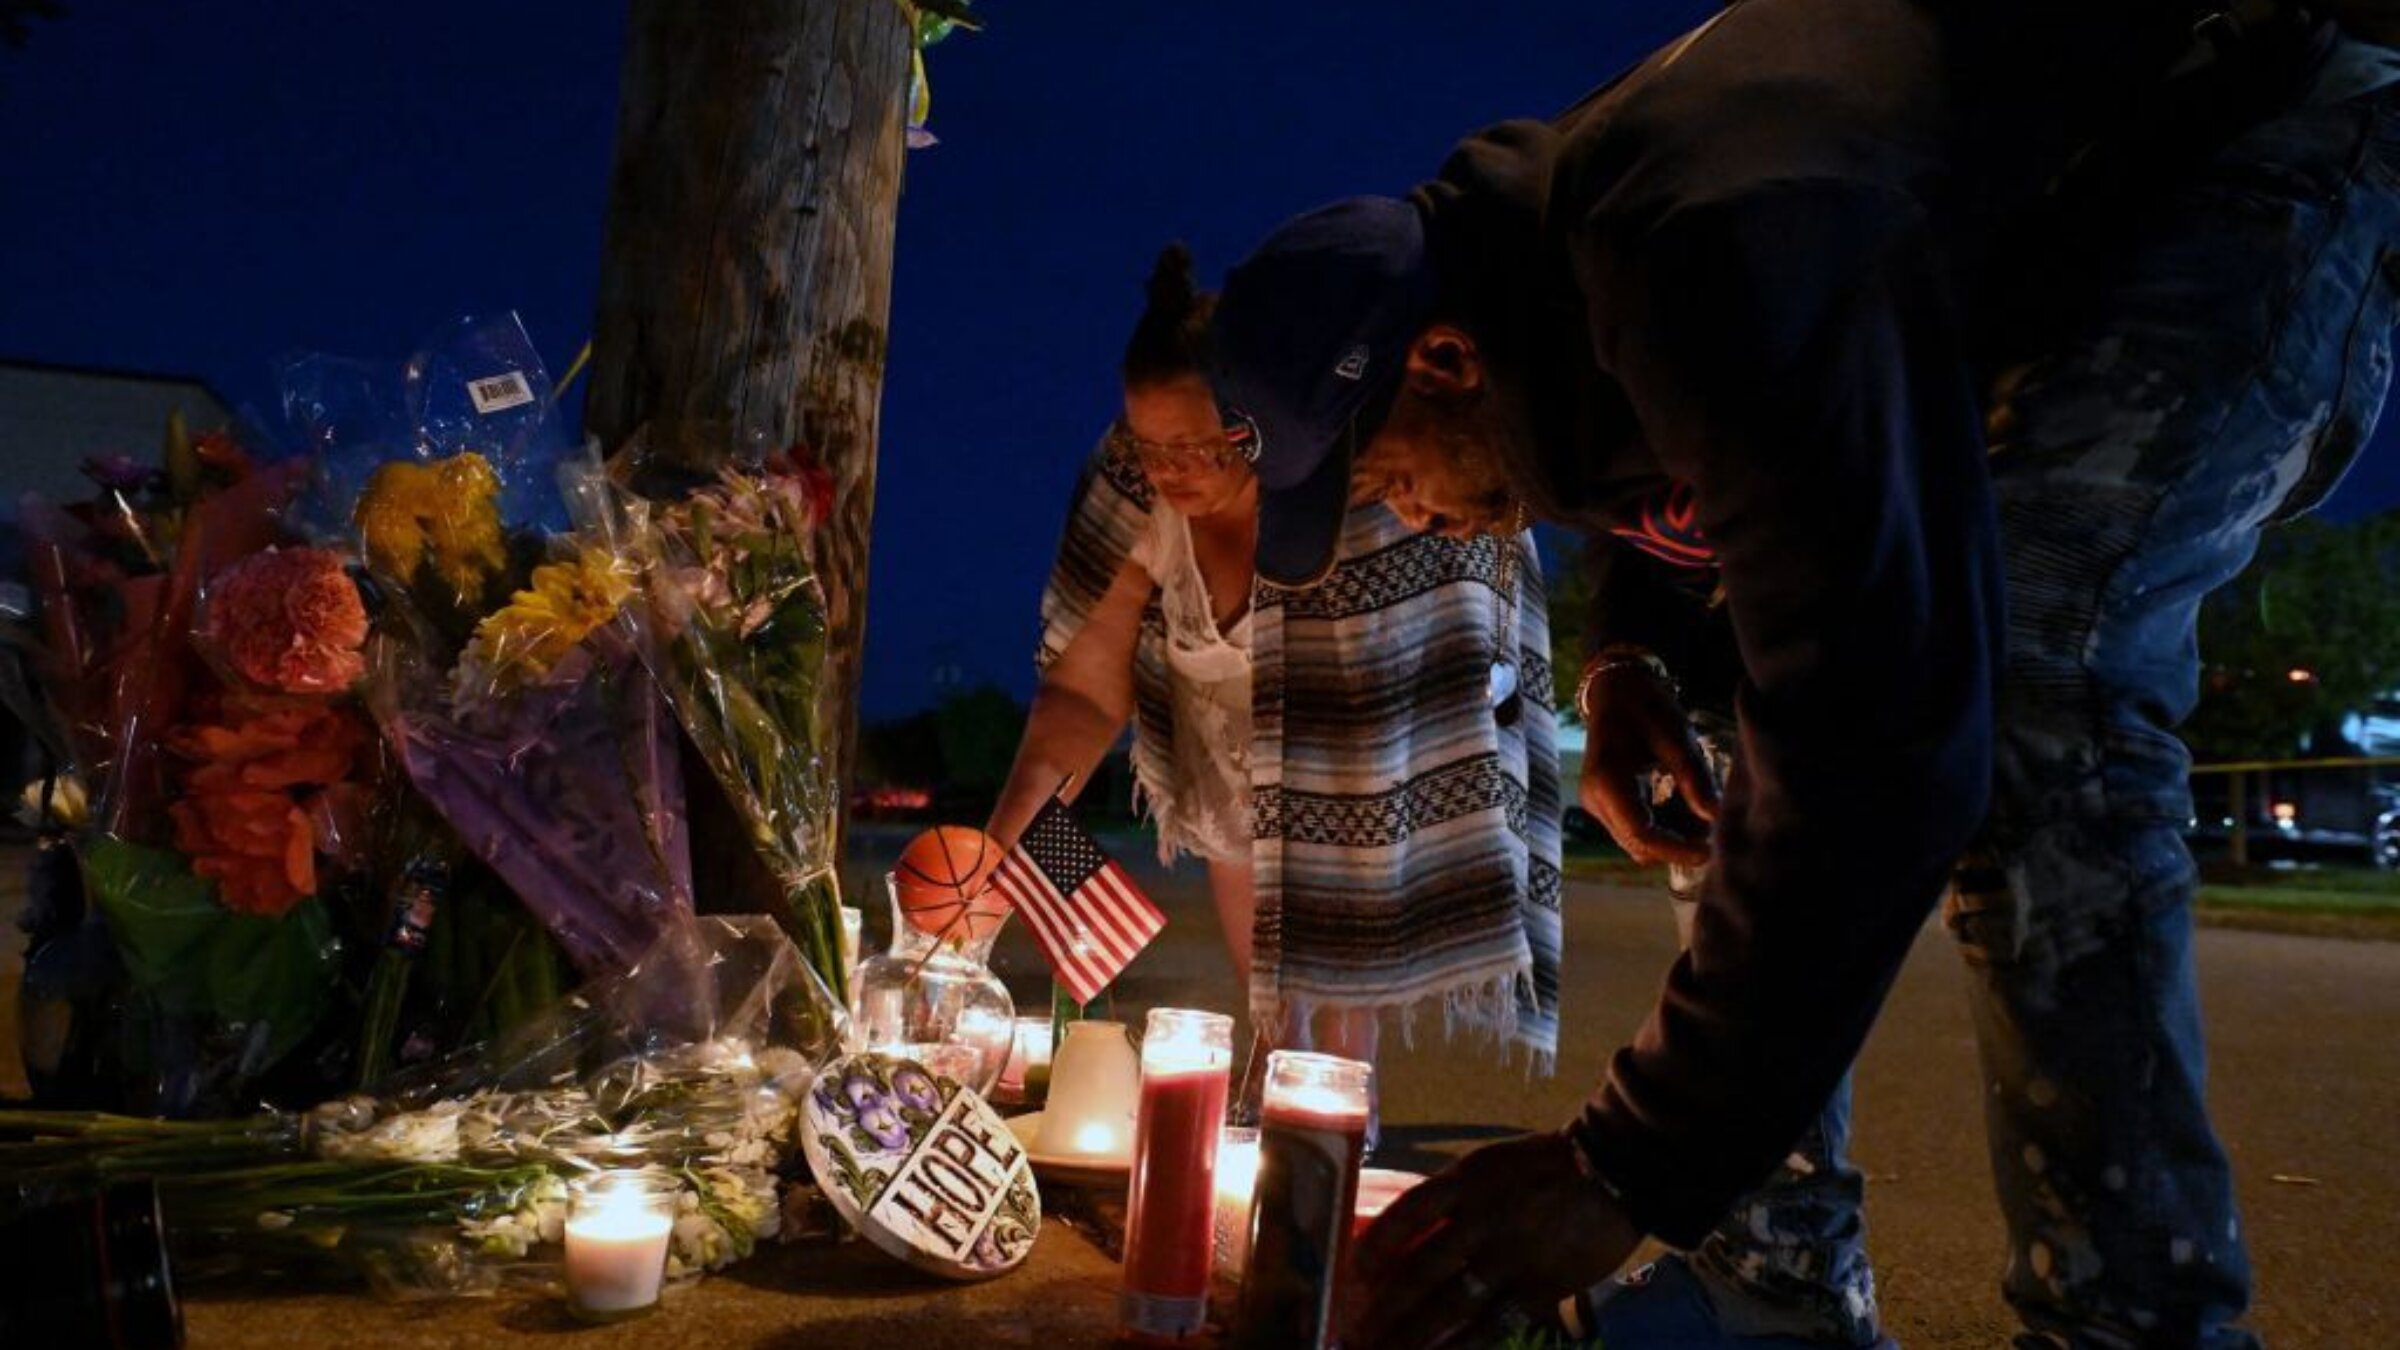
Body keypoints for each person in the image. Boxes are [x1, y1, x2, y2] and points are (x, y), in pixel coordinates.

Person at [1205, 1, 2400, 1346]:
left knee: (2025, 676)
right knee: (1726, 731)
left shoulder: (1707, 229)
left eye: (1384, 478)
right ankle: (1773, 1281)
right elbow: (1711, 455)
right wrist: (1631, 657)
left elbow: (1886, 718)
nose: (1412, 517)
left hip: (2248, 155)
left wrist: (1627, 1161)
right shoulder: (1575, 271)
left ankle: (2137, 1320)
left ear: (1442, 358)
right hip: (2036, 265)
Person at [986, 246, 1564, 1116]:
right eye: (1151, 449)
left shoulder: (1365, 497)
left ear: (1257, 425)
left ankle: (1335, 1115)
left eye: (1198, 449)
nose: (1171, 473)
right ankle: (1272, 1097)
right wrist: (996, 857)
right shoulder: (1130, 486)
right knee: (1270, 1017)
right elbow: (1080, 693)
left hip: (1362, 776)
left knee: (1327, 1067)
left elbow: (1446, 633)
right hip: (1228, 780)